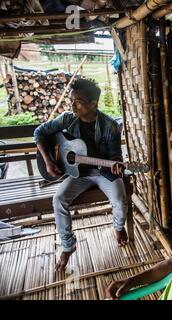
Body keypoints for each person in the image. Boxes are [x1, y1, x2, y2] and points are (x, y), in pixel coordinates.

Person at [34, 78, 128, 271]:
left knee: (119, 200)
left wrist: (116, 164)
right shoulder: (68, 119)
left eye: (78, 101)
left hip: (104, 172)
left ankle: (118, 228)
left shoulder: (110, 126)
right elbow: (39, 133)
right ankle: (68, 246)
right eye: (71, 100)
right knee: (58, 199)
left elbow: (115, 155)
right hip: (77, 174)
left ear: (93, 104)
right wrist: (49, 160)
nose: (72, 105)